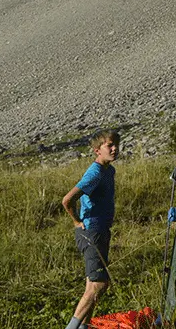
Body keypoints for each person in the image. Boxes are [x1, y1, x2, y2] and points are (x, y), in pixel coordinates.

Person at [61, 129, 120, 329]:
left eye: (116, 144)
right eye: (109, 145)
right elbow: (68, 200)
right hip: (91, 232)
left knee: (92, 286)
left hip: (101, 230)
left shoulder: (109, 170)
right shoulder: (94, 173)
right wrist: (77, 222)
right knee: (99, 285)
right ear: (97, 150)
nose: (115, 148)